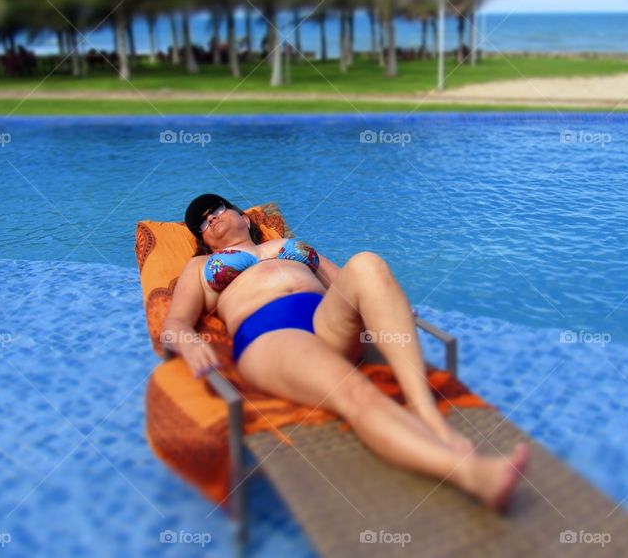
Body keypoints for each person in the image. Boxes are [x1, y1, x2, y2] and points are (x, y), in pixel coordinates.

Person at [163, 193, 530, 511]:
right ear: (204, 240)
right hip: (271, 335)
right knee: (355, 391)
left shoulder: (292, 247)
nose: (211, 219)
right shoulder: (200, 267)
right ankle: (471, 474)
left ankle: (426, 414)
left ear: (244, 216)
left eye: (217, 209)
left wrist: (385, 303)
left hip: (327, 322)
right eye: (202, 223)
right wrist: (189, 340)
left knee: (368, 263)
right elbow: (175, 324)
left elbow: (345, 282)